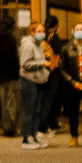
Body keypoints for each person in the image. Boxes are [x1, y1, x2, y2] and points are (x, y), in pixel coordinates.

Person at [17, 18, 51, 150]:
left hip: (38, 79)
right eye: (39, 31)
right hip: (28, 80)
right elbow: (25, 64)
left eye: (43, 31)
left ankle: (34, 135)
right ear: (32, 32)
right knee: (29, 110)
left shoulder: (39, 44)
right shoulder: (28, 45)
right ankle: (26, 138)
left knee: (36, 110)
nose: (42, 34)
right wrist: (42, 63)